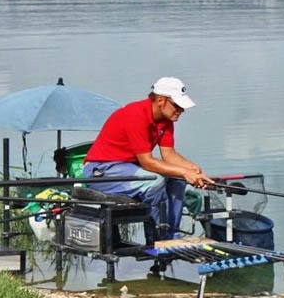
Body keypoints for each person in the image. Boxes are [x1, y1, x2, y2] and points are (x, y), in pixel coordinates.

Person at [82, 77, 213, 240]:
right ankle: (158, 238)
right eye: (177, 106)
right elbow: (147, 162)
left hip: (127, 167)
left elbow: (169, 154)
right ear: (161, 100)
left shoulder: (166, 120)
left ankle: (172, 234)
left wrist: (192, 169)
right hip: (102, 171)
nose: (181, 110)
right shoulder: (136, 114)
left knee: (178, 180)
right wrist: (184, 171)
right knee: (155, 181)